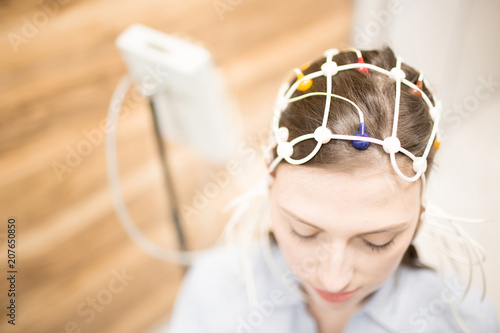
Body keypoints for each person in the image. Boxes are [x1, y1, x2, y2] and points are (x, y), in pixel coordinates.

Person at [167, 47, 499, 333]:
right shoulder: (212, 294)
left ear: (420, 218)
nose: (334, 279)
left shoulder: (465, 322)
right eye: (304, 231)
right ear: (269, 188)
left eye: (377, 242)